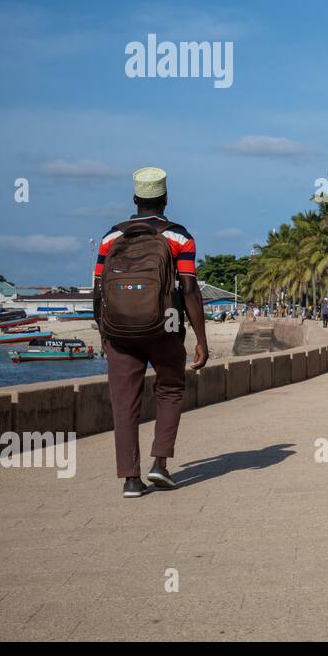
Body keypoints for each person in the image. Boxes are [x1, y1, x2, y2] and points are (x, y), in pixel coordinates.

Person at [93, 167, 208, 499]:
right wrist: (200, 338)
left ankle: (130, 479)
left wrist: (104, 333)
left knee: (124, 402)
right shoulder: (179, 237)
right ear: (166, 198)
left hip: (119, 332)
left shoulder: (110, 238)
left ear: (135, 199)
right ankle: (159, 464)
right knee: (170, 390)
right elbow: (189, 288)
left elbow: (99, 290)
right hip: (166, 326)